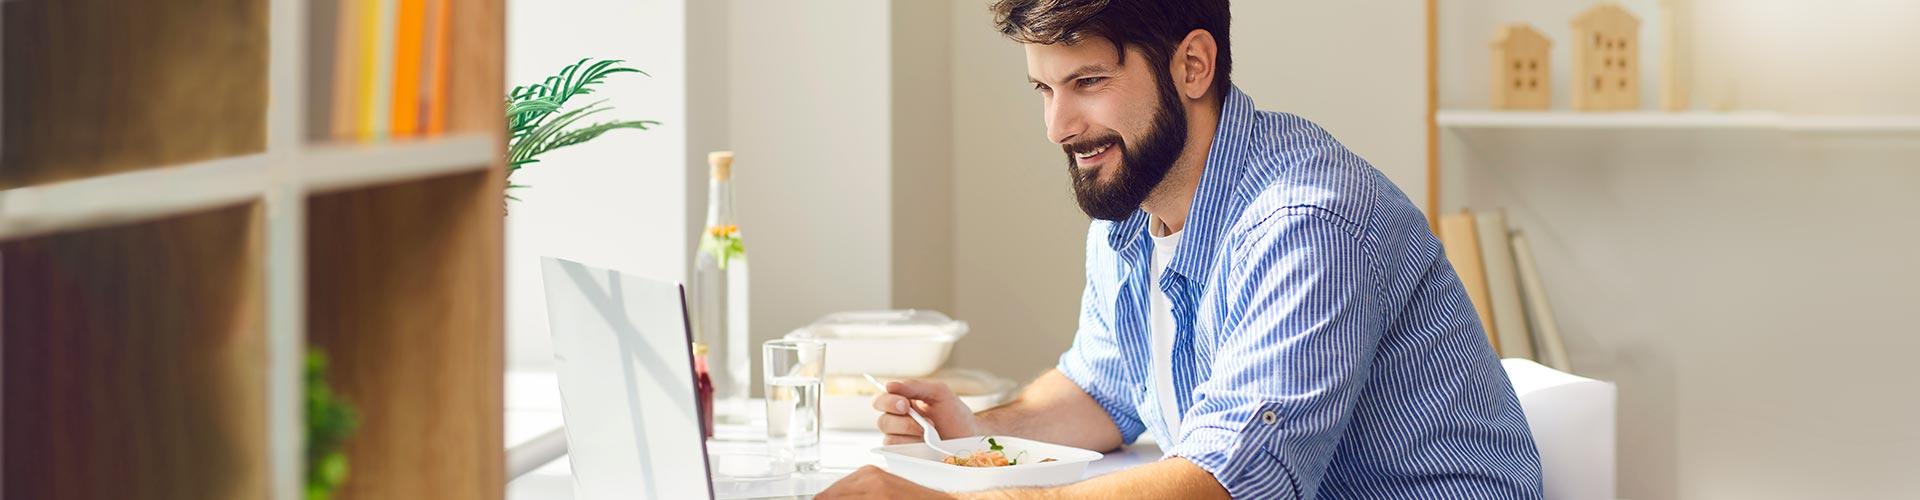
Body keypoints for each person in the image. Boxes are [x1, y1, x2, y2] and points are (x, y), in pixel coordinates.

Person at [818, 1, 1543, 498]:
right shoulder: (1132, 203)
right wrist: (980, 434)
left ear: (1193, 65)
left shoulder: (1307, 224)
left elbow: (1225, 482)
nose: (1058, 126)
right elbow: (1101, 389)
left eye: (1088, 83)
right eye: (1043, 89)